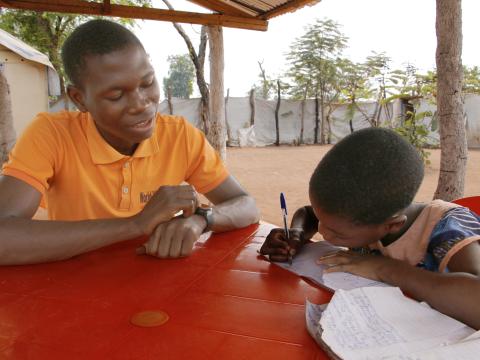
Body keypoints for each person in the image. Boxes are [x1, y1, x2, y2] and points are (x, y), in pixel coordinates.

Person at [0, 19, 259, 265]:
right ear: (79, 98)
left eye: (147, 83)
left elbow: (246, 205)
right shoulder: (52, 135)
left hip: (159, 284)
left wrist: (202, 219)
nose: (141, 104)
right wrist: (135, 224)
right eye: (116, 95)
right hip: (79, 288)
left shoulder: (180, 136)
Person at [260, 127, 480, 329]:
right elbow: (307, 213)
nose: (324, 233)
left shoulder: (449, 228)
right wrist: (297, 233)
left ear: (392, 225)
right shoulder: (363, 214)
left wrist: (383, 268)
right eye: (321, 221)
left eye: (337, 234)